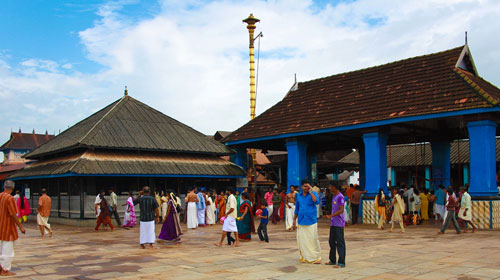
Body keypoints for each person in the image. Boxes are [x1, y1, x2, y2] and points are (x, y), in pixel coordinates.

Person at [0, 181, 26, 276]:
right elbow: (13, 214)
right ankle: (5, 270)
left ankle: (1, 268)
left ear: (4, 187)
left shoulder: (1, 196)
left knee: (1, 249)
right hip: (8, 227)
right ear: (12, 188)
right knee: (7, 251)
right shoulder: (9, 198)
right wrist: (21, 227)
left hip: (0, 226)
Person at [293, 180, 321, 264]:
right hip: (301, 220)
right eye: (305, 186)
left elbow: (316, 201)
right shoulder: (299, 196)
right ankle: (305, 257)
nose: (306, 188)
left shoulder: (313, 194)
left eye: (308, 186)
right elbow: (297, 209)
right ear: (301, 187)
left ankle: (315, 257)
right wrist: (294, 220)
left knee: (312, 239)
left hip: (311, 220)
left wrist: (311, 192)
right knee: (302, 240)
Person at [324, 182, 346, 268]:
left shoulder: (340, 197)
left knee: (340, 242)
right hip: (333, 223)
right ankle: (332, 260)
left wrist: (331, 216)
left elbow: (341, 210)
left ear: (334, 187)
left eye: (330, 186)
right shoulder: (334, 196)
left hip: (339, 224)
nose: (329, 188)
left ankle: (341, 262)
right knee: (331, 241)